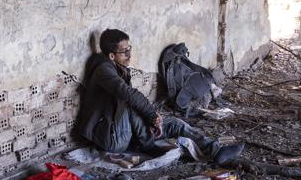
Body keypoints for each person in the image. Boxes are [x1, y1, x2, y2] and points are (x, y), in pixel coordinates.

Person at [77, 29, 244, 166]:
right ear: (112, 56)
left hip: (123, 128)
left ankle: (215, 150)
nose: (129, 55)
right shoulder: (103, 70)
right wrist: (151, 115)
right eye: (124, 52)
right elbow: (129, 95)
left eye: (130, 49)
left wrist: (153, 119)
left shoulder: (117, 66)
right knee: (129, 101)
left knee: (176, 124)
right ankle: (147, 144)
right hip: (110, 138)